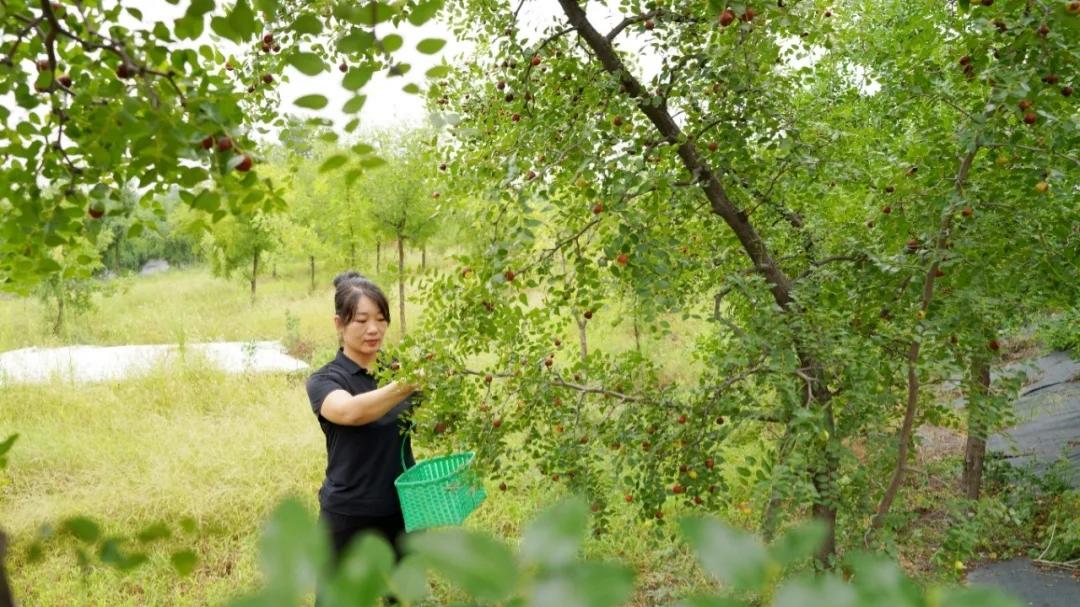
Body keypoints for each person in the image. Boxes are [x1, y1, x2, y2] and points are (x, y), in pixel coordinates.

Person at [305, 271, 420, 578]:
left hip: (403, 508)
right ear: (339, 323)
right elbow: (351, 412)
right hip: (348, 514)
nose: (374, 329)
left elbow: (424, 424)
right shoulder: (325, 380)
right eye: (361, 320)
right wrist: (407, 383)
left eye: (381, 319)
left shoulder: (398, 369)